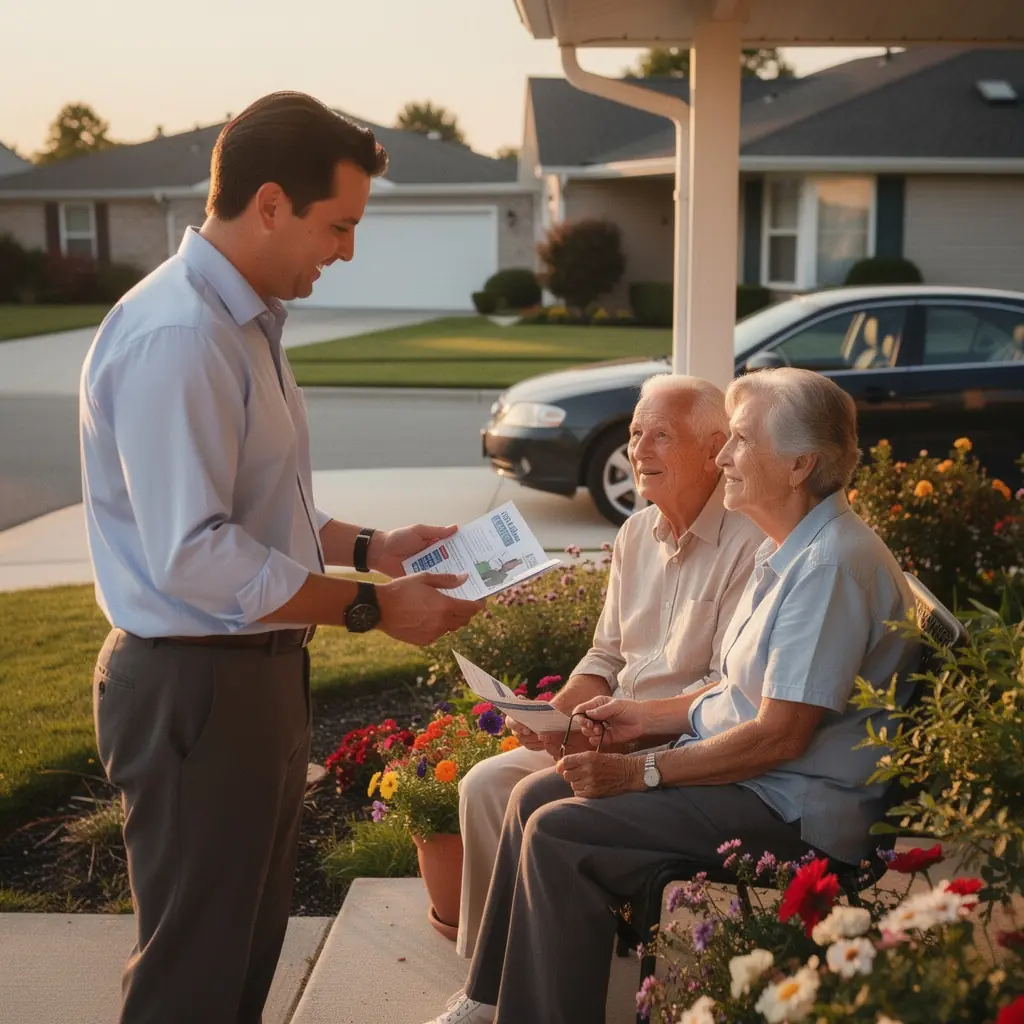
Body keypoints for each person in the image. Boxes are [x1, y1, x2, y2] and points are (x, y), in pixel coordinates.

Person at [79, 92, 482, 1024]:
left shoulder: (241, 322)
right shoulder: (182, 335)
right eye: (337, 226)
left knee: (242, 959)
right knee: (195, 975)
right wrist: (374, 607)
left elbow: (259, 513)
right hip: (195, 687)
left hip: (248, 678)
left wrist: (377, 550)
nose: (345, 251)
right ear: (269, 204)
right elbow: (196, 556)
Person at [427, 367, 919, 1024]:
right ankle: (491, 1000)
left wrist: (640, 769)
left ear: (799, 464)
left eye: (740, 441)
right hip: (755, 782)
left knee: (560, 832)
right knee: (535, 794)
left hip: (792, 811)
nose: (723, 457)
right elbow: (736, 696)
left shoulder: (829, 565)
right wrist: (639, 716)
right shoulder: (798, 550)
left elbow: (780, 736)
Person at [455, 374, 764, 959]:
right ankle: (488, 975)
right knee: (484, 785)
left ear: (715, 448)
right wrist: (554, 715)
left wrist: (628, 725)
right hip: (608, 728)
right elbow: (606, 655)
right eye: (635, 433)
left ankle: (535, 967)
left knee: (539, 802)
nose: (638, 451)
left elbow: (728, 685)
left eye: (661, 436)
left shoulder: (750, 543)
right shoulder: (633, 534)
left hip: (675, 744)